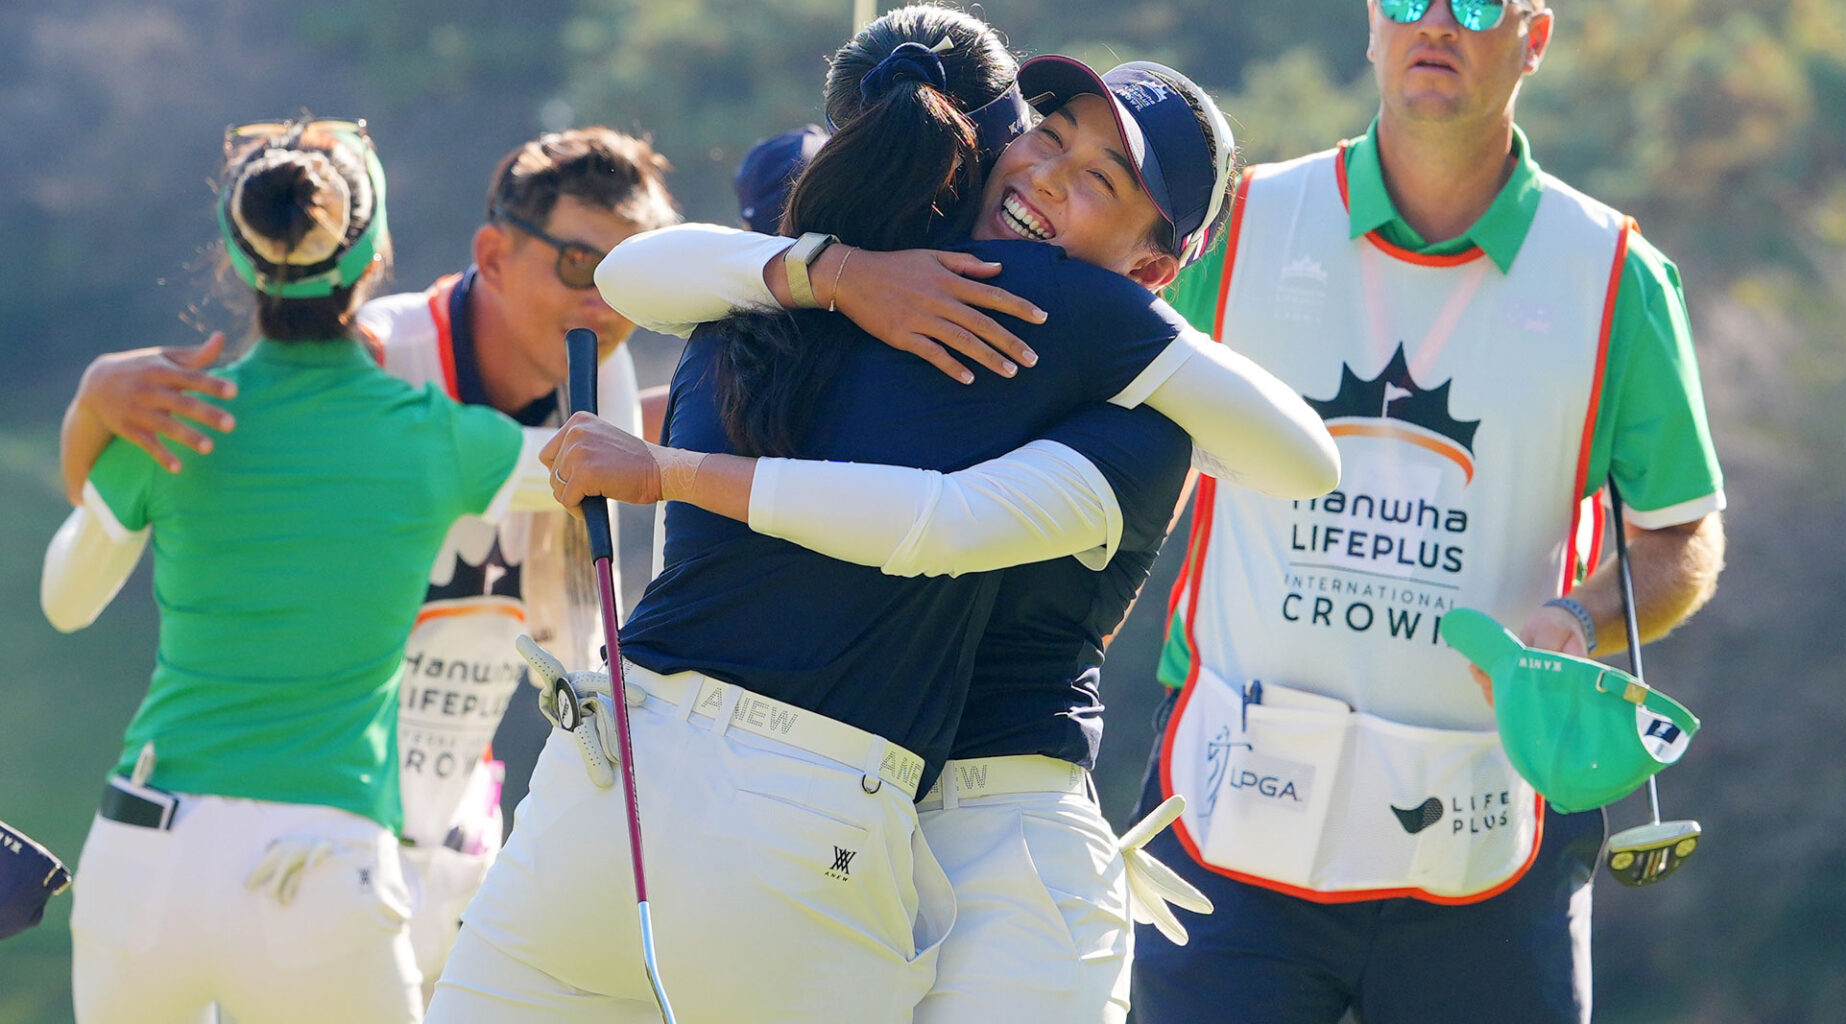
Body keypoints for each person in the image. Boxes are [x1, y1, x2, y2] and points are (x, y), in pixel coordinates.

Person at [430, 8, 1333, 1024]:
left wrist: (672, 466)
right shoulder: (866, 280)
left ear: (1157, 266)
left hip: (973, 834)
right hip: (830, 806)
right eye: (1048, 135)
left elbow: (951, 522)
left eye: (1102, 179)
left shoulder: (1092, 329)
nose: (1048, 176)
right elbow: (637, 276)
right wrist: (841, 275)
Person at [1128, 2, 1728, 1022]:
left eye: (1478, 4)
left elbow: (1680, 535)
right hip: (1227, 821)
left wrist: (1579, 618)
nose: (1436, 23)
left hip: (1487, 848)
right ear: (1371, 25)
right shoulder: (1239, 223)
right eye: (1407, 0)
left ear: (1534, 38)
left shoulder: (1616, 275)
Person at [52, 126, 680, 1000]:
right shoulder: (413, 415)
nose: (606, 306)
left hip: (171, 845)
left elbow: (67, 598)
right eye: (582, 265)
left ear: (237, 261)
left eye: (629, 276)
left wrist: (92, 417)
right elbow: (597, 466)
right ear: (383, 260)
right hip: (335, 848)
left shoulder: (183, 416)